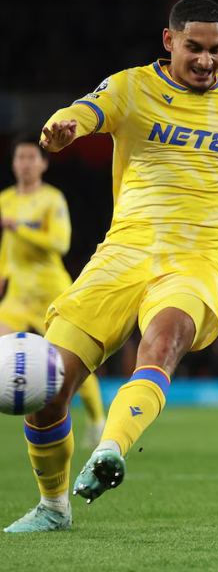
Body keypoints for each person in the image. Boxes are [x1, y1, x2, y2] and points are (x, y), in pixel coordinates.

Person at [4, 0, 218, 533]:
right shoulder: (131, 86)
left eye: (217, 50)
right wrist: (63, 127)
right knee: (49, 391)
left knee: (161, 343)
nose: (207, 61)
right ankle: (53, 506)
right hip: (122, 255)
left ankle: (110, 448)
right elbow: (83, 112)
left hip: (196, 261)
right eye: (195, 49)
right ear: (169, 41)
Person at [0, 134, 106, 448]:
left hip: (52, 293)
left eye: (32, 157)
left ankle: (97, 419)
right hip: (18, 295)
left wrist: (18, 226)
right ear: (13, 163)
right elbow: (7, 248)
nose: (26, 163)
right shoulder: (5, 198)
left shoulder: (52, 199)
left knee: (70, 361)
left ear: (44, 164)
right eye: (20, 157)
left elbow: (60, 244)